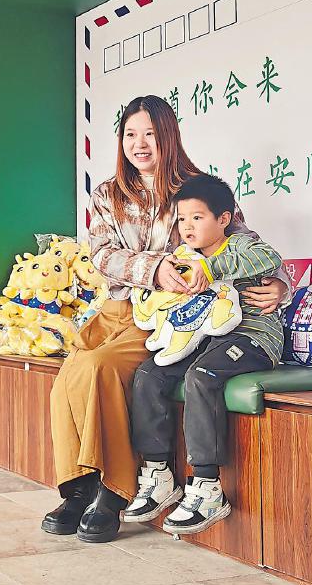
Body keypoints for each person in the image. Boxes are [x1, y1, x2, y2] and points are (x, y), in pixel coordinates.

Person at [44, 95, 288, 543]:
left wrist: (280, 286)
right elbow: (101, 255)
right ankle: (79, 488)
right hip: (117, 310)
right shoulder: (108, 194)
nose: (140, 144)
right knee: (68, 378)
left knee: (99, 369)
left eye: (150, 134)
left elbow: (245, 244)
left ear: (169, 137)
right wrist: (153, 267)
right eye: (130, 134)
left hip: (168, 318)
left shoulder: (196, 188)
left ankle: (115, 490)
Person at [124, 175, 284, 534]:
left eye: (197, 217)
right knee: (148, 374)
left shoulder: (241, 243)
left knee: (202, 375)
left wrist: (210, 269)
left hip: (253, 337)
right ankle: (158, 474)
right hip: (205, 337)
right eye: (182, 219)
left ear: (223, 218)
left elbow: (268, 257)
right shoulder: (184, 257)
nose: (187, 226)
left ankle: (208, 486)